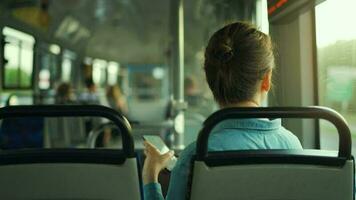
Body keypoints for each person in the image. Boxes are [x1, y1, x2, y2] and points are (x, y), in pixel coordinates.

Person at [142, 21, 303, 200]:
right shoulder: (293, 146)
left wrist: (150, 176)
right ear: (266, 79)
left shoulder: (195, 156)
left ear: (211, 83)